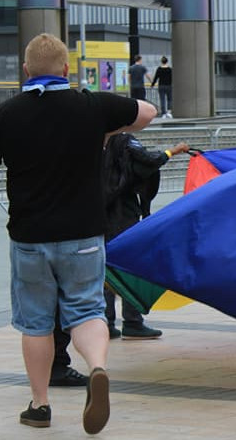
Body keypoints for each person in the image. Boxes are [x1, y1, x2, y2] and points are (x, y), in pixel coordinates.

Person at [0, 33, 156, 434]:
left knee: (36, 322)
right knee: (87, 311)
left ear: (25, 70)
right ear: (66, 69)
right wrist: (107, 128)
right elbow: (148, 112)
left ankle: (40, 405)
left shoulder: (4, 115)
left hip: (29, 237)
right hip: (84, 234)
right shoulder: (91, 106)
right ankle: (97, 367)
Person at [102, 133, 189, 339]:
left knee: (106, 271)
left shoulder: (97, 142)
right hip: (123, 216)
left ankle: (105, 323)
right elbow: (148, 161)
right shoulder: (123, 140)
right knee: (128, 268)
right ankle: (132, 322)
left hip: (101, 216)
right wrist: (172, 151)